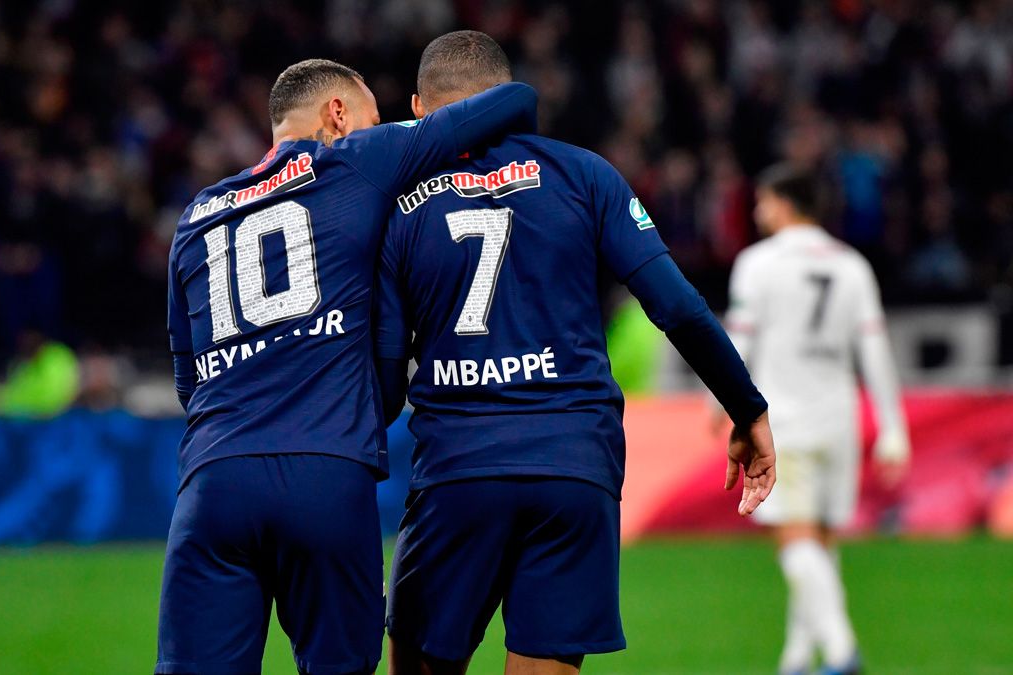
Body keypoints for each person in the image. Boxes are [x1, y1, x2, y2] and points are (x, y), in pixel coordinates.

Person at [373, 31, 776, 675]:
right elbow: (676, 305)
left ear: (421, 109)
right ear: (505, 96)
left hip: (458, 468)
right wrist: (745, 406)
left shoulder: (397, 206)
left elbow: (387, 378)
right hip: (573, 465)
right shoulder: (585, 173)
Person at [158, 59, 537, 675]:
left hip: (213, 482)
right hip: (325, 475)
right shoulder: (355, 159)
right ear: (337, 115)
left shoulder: (198, 213)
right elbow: (511, 100)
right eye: (368, 118)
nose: (375, 129)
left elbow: (186, 376)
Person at [724, 164, 910, 675]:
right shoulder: (851, 265)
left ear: (785, 204)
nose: (759, 212)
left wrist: (717, 404)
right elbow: (873, 349)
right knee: (821, 544)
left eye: (764, 202)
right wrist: (894, 427)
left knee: (795, 540)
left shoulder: (757, 264)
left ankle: (842, 650)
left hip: (782, 420)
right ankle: (798, 658)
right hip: (838, 419)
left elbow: (738, 342)